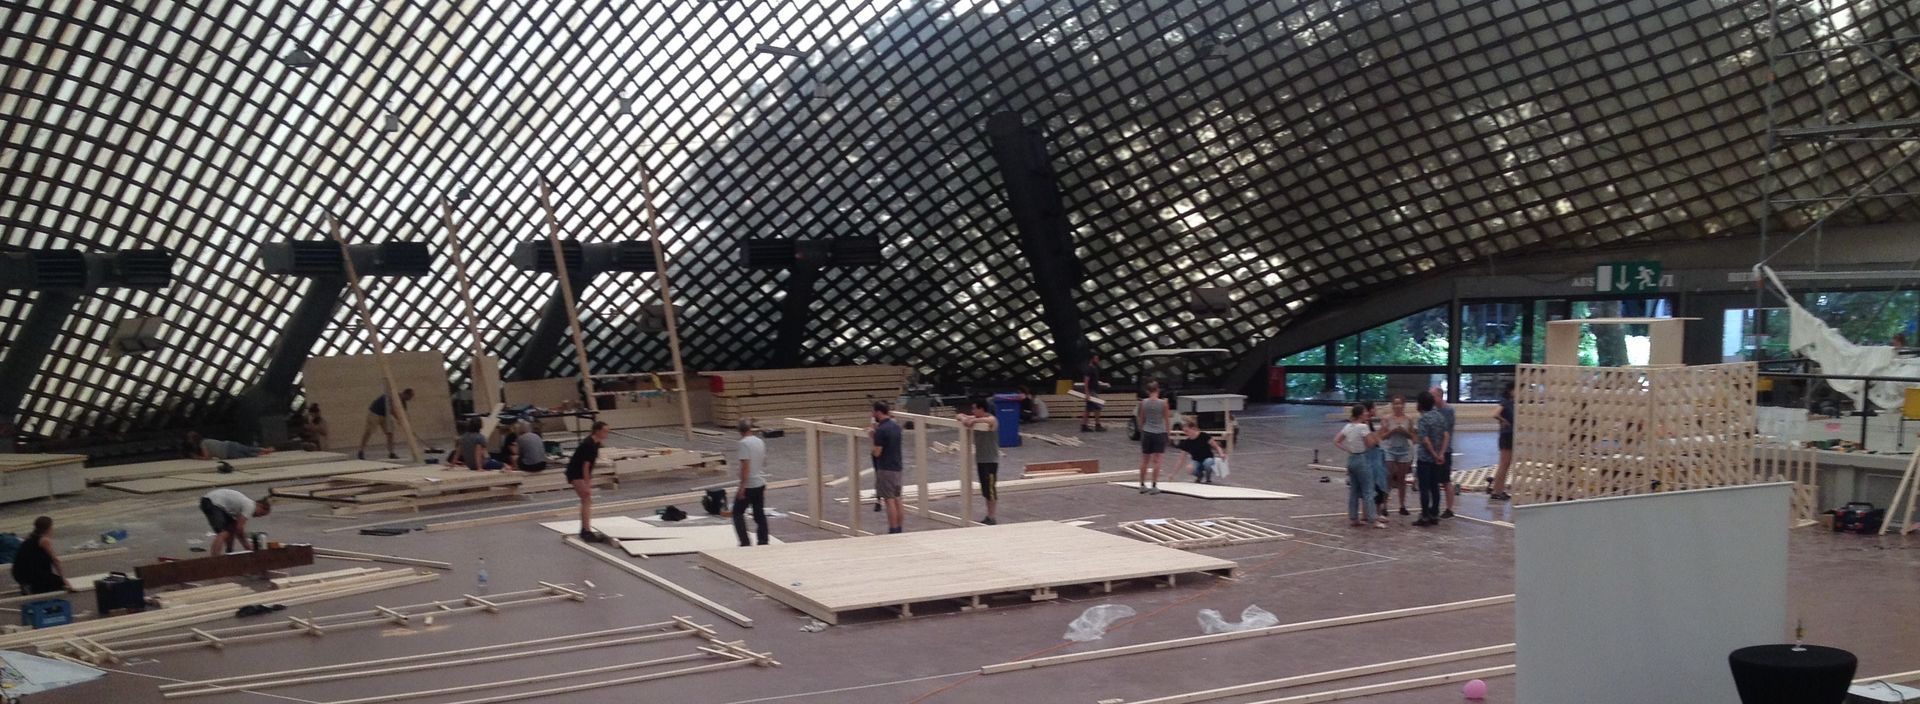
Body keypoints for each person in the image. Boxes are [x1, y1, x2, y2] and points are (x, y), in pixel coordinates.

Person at [1335, 404, 1385, 529]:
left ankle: (1354, 518)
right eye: (1364, 413)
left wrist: (1348, 449)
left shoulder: (1348, 426)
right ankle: (1373, 519)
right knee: (1368, 490)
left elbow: (1336, 441)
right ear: (1360, 415)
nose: (1367, 414)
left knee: (1354, 491)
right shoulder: (1363, 427)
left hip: (1351, 459)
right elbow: (1370, 444)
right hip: (1362, 459)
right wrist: (1378, 435)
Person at [957, 399, 1001, 525]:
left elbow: (992, 421)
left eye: (974, 408)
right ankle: (989, 516)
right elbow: (959, 415)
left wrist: (973, 420)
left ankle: (992, 517)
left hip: (990, 461)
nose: (972, 411)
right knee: (985, 489)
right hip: (981, 460)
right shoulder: (977, 419)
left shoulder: (991, 420)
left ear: (981, 409)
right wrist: (964, 419)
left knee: (990, 489)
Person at [1413, 391, 1450, 526]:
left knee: (1424, 488)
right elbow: (1446, 436)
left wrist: (1434, 454)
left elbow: (1425, 440)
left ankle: (1425, 516)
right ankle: (1434, 513)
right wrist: (1441, 454)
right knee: (1435, 487)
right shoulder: (1440, 417)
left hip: (1425, 459)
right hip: (1437, 460)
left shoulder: (1423, 419)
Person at [567, 422, 609, 541]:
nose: (607, 434)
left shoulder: (595, 443)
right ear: (597, 431)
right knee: (586, 498)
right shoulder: (589, 445)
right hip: (576, 473)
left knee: (587, 500)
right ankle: (586, 531)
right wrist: (587, 483)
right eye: (605, 431)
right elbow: (585, 465)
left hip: (579, 472)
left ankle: (585, 529)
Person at [869, 402, 906, 533]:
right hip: (897, 467)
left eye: (873, 412)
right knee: (897, 498)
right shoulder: (896, 427)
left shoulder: (881, 430)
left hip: (885, 468)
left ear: (878, 412)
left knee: (889, 500)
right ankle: (899, 528)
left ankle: (893, 529)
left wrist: (872, 439)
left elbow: (877, 452)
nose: (872, 415)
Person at [732, 418, 770, 546]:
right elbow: (764, 461)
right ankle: (763, 541)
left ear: (740, 431)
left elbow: (745, 466)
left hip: (750, 484)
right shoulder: (759, 441)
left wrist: (742, 487)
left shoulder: (743, 444)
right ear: (750, 429)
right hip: (760, 482)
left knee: (737, 512)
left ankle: (745, 542)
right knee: (759, 513)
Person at [200, 488, 270, 555]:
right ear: (260, 506)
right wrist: (248, 548)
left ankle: (230, 552)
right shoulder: (250, 506)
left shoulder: (246, 504)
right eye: (261, 513)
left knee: (231, 527)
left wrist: (247, 547)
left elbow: (236, 528)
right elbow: (239, 529)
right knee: (223, 532)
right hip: (212, 502)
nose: (259, 516)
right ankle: (215, 557)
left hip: (217, 503)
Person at [1380, 395, 1417, 515]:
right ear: (1392, 405)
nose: (1398, 406)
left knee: (1402, 479)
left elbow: (1413, 437)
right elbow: (1382, 436)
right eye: (1395, 404)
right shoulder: (1386, 419)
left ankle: (1402, 505)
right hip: (1390, 449)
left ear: (1404, 405)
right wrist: (1393, 430)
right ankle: (1384, 505)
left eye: (1400, 403)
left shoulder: (1409, 419)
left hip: (1404, 450)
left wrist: (1404, 431)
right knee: (1388, 477)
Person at [10, 517, 67, 594]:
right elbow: (55, 560)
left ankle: (29, 584)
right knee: (58, 583)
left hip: (19, 573)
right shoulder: (44, 540)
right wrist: (63, 578)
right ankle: (33, 587)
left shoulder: (30, 538)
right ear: (48, 528)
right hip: (32, 574)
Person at [1135, 381, 1172, 494]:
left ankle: (1142, 484)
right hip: (1159, 432)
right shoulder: (1163, 403)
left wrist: (1142, 431)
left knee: (1145, 460)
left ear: (1147, 391)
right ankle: (1154, 485)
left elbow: (1141, 419)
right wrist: (1168, 433)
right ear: (1158, 390)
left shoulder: (1143, 403)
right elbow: (1166, 419)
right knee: (1157, 460)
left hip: (1147, 432)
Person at [358, 388, 415, 460]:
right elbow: (392, 409)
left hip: (386, 415)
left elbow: (403, 414)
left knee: (390, 433)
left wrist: (406, 423)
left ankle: (391, 453)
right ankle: (361, 451)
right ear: (406, 394)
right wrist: (399, 419)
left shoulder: (403, 402)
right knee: (369, 432)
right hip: (375, 413)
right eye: (410, 396)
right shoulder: (394, 396)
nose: (411, 399)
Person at [1434, 387, 1458, 518]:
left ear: (1440, 396)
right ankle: (1435, 506)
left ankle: (1449, 508)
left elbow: (1446, 432)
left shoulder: (1448, 411)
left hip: (1444, 450)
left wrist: (1442, 451)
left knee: (1445, 480)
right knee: (1434, 480)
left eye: (1434, 396)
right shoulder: (1433, 410)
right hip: (1433, 450)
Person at [1363, 401, 1389, 518]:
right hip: (1371, 459)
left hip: (1372, 457)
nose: (1376, 410)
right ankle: (1374, 514)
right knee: (1375, 486)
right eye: (1374, 408)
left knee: (1369, 487)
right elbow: (1373, 441)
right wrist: (1383, 430)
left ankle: (1367, 513)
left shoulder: (1368, 423)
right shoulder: (1365, 424)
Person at [1490, 383, 1516, 501]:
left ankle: (1499, 489)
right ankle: (1497, 491)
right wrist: (1503, 421)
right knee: (1504, 465)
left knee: (1506, 465)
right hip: (1506, 436)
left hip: (1510, 435)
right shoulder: (1505, 402)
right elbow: (1495, 414)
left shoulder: (1511, 402)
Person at [184, 431, 271, 460]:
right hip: (229, 444)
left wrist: (196, 457)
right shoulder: (207, 441)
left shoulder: (202, 444)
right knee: (249, 449)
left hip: (227, 452)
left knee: (249, 455)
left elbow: (207, 457)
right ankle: (265, 450)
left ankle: (262, 453)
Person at [1081, 353, 1107, 432]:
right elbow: (1086, 381)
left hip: (1093, 391)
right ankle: (1097, 425)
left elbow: (1092, 380)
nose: (1098, 360)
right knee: (1098, 407)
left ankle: (1085, 426)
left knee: (1089, 409)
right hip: (1091, 391)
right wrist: (1087, 393)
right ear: (1092, 359)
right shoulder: (1089, 368)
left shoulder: (1094, 368)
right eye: (1096, 359)